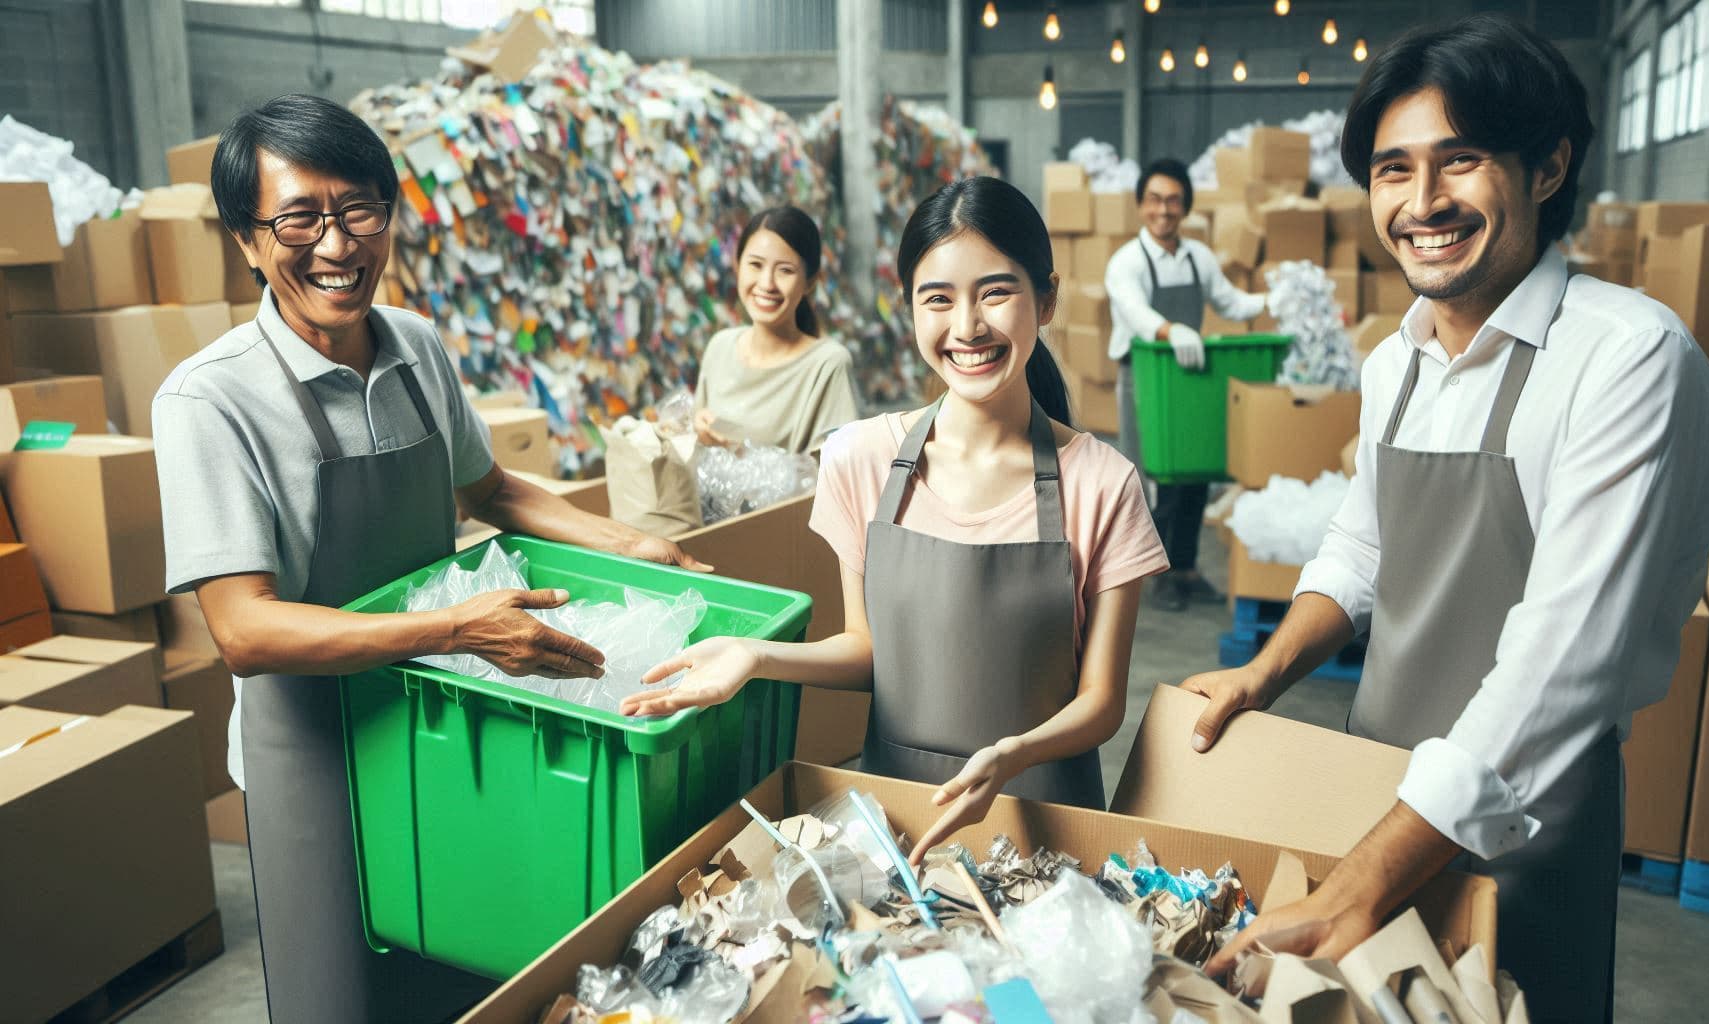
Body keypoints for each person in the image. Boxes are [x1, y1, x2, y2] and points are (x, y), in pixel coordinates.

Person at [1181, 17, 1709, 1022]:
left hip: (1522, 823)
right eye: (1392, 170)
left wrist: (1361, 880)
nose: (1421, 203)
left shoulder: (1627, 360)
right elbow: (1362, 545)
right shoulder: (1397, 359)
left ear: (1548, 164)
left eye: (1458, 162)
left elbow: (1566, 659)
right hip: (1373, 790)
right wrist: (1267, 668)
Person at [151, 94, 708, 1024]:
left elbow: (492, 491)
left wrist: (636, 544)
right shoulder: (210, 402)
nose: (337, 244)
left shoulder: (415, 346)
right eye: (299, 218)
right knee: (343, 995)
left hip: (448, 734)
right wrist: (461, 628)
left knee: (468, 978)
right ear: (247, 241)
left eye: (360, 208)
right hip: (316, 759)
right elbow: (242, 628)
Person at [621, 176, 1167, 862]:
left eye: (995, 293)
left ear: (1047, 298)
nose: (967, 327)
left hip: (1048, 835)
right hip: (894, 831)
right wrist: (757, 656)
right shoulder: (861, 459)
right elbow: (868, 650)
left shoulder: (1103, 483)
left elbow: (1103, 702)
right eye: (937, 299)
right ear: (908, 308)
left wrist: (1010, 755)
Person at [1104, 158, 1267, 610]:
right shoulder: (1126, 263)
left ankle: (1188, 568)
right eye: (1155, 199)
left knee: (1195, 473)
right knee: (1156, 478)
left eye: (1174, 200)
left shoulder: (1199, 257)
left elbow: (1230, 302)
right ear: (1141, 206)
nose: (1164, 209)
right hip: (1146, 376)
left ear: (1185, 207)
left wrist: (1273, 299)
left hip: (1191, 377)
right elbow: (1135, 312)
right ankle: (1156, 578)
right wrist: (1169, 330)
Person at [693, 206, 859, 453]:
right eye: (756, 265)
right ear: (738, 267)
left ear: (810, 283)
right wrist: (699, 429)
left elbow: (841, 471)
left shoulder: (827, 365)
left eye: (785, 270)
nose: (767, 284)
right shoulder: (720, 347)